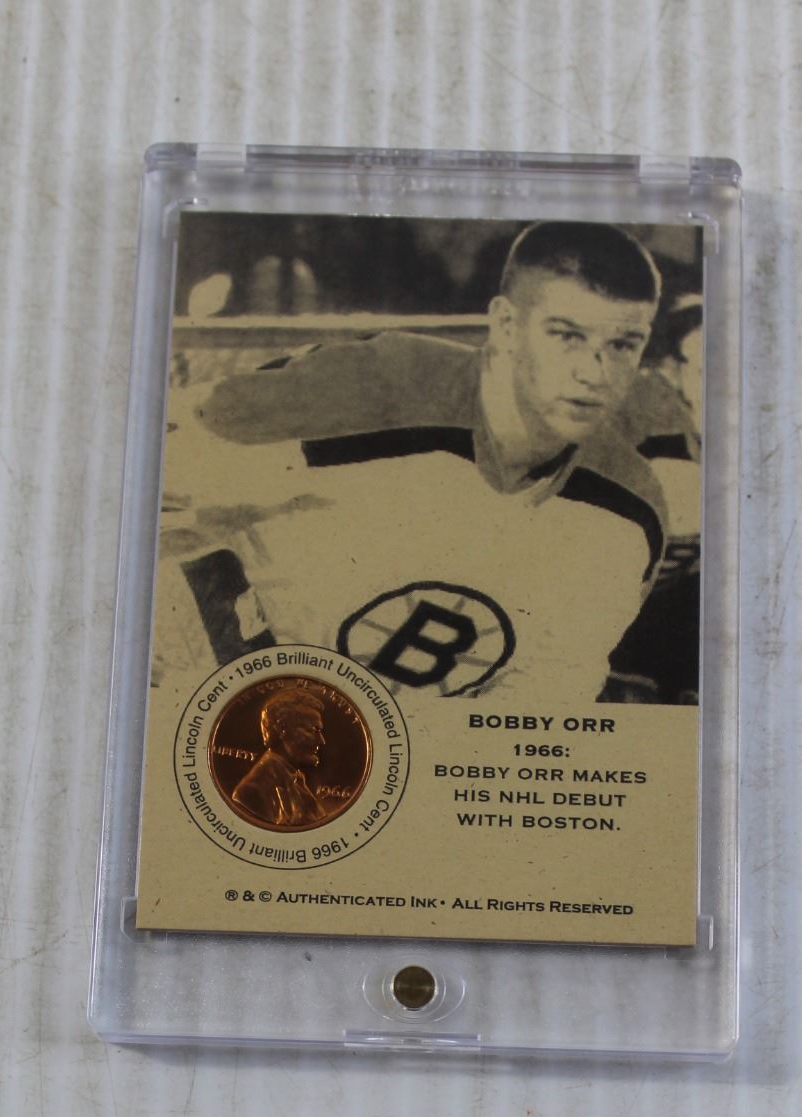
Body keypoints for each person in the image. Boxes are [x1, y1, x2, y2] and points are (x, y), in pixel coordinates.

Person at [159, 221, 671, 702]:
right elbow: (154, 467)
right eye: (566, 335)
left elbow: (540, 703)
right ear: (506, 326)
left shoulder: (630, 509)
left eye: (622, 345)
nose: (594, 373)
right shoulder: (382, 387)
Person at [231, 685, 328, 828]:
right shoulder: (251, 791)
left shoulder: (296, 779)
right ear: (282, 729)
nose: (321, 741)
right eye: (313, 730)